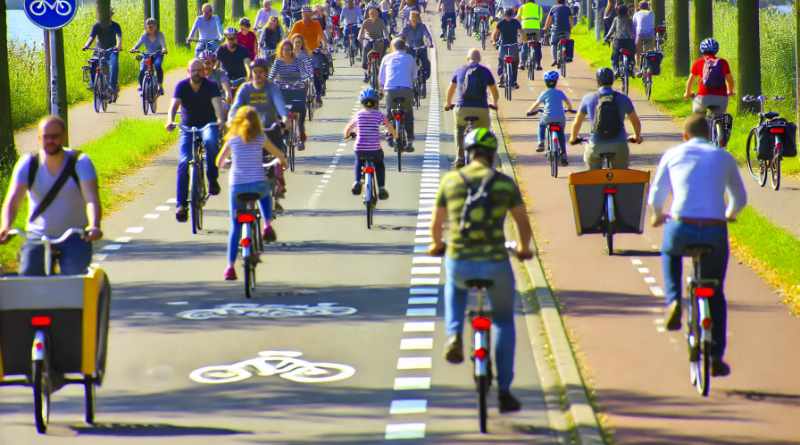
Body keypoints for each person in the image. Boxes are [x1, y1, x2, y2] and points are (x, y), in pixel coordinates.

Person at [428, 127, 533, 414]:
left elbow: (436, 225)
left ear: (467, 152)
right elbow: (523, 222)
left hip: (461, 260)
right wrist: (524, 249)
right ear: (492, 154)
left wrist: (437, 244)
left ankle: (453, 335)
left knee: (454, 284)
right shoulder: (504, 184)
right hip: (496, 262)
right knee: (503, 321)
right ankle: (505, 390)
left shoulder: (451, 181)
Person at [648, 113, 747, 377]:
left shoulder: (672, 154)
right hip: (714, 229)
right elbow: (739, 197)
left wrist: (657, 215)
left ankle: (673, 301)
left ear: (685, 136)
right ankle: (715, 356)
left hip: (682, 224)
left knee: (670, 251)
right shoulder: (723, 156)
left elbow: (657, 193)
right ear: (709, 134)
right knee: (716, 291)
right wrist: (730, 214)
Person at [0, 116, 103, 275]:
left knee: (73, 281)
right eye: (45, 137)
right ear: (39, 138)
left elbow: (91, 199)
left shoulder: (80, 162)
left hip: (74, 236)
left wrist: (94, 225)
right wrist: (6, 226)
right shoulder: (28, 164)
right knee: (28, 280)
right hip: (37, 236)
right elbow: (12, 201)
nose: (50, 141)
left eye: (55, 136)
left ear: (63, 137)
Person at [216, 106, 288, 281]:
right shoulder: (260, 138)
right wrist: (282, 163)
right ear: (257, 122)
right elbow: (279, 155)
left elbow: (219, 161)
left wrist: (227, 165)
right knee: (265, 194)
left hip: (237, 187)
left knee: (235, 227)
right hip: (257, 184)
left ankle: (230, 267)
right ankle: (267, 224)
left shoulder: (232, 139)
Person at [166, 59, 226, 222]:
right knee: (184, 162)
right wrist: (169, 120)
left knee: (211, 143)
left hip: (208, 125)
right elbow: (174, 106)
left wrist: (220, 119)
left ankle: (212, 179)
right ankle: (181, 205)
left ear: (204, 71)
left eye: (199, 70)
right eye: (193, 70)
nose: (196, 73)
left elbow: (217, 105)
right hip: (187, 128)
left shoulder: (211, 86)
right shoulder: (182, 86)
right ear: (188, 72)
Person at [569, 67, 642, 169]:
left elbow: (577, 122)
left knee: (593, 175)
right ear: (612, 80)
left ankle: (595, 181)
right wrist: (637, 137)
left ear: (597, 81)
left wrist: (573, 138)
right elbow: (636, 122)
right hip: (619, 144)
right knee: (621, 175)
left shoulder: (588, 98)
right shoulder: (623, 98)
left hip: (596, 144)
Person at [444, 49, 500, 167]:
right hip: (481, 109)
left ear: (467, 59)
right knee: (485, 131)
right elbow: (494, 91)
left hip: (462, 109)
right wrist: (495, 103)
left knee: (459, 129)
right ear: (479, 60)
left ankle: (460, 157)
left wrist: (448, 103)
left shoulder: (460, 70)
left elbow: (451, 89)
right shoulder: (486, 71)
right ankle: (484, 157)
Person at [343, 88, 397, 199]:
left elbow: (348, 128)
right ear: (376, 102)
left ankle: (357, 181)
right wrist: (395, 135)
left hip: (360, 149)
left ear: (362, 102)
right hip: (374, 149)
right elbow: (388, 126)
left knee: (358, 161)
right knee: (379, 164)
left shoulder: (358, 115)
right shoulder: (378, 115)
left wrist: (347, 135)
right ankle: (381, 188)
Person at [684, 38, 735, 128]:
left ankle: (701, 135)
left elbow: (690, 80)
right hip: (721, 98)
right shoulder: (723, 62)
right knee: (719, 118)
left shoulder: (698, 62)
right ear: (716, 50)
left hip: (703, 97)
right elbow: (729, 79)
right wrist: (730, 91)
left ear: (702, 50)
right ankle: (721, 135)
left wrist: (687, 93)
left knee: (698, 118)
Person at [526, 70, 574, 164]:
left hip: (547, 117)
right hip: (560, 117)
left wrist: (529, 111)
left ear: (545, 82)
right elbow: (567, 102)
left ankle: (541, 142)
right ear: (556, 82)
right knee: (561, 133)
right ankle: (563, 154)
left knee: (541, 124)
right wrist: (570, 109)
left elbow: (536, 104)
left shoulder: (545, 93)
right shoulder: (560, 92)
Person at [271, 39, 312, 150]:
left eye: (289, 49)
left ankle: (300, 133)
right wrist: (269, 82)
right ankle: (284, 134)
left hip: (297, 89)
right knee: (278, 111)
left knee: (301, 109)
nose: (287, 52)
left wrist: (304, 80)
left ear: (292, 50)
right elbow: (271, 76)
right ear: (281, 50)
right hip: (282, 91)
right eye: (284, 50)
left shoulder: (297, 61)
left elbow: (304, 74)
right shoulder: (278, 62)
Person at [379, 38, 417, 152]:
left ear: (393, 47)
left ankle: (389, 134)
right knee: (408, 113)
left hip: (391, 90)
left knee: (390, 113)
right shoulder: (410, 58)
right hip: (406, 90)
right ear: (404, 47)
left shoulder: (386, 58)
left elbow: (381, 78)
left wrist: (381, 90)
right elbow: (415, 76)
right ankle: (410, 140)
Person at [82, 8, 122, 95]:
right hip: (99, 50)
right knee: (93, 64)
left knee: (114, 65)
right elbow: (91, 37)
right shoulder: (96, 26)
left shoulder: (116, 25)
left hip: (112, 50)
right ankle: (93, 84)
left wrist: (118, 46)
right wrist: (87, 45)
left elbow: (119, 37)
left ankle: (112, 86)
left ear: (111, 15)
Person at [130, 17, 167, 95]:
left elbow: (163, 44)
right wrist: (134, 48)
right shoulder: (144, 35)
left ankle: (160, 86)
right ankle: (141, 86)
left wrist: (163, 49)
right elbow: (138, 44)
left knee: (157, 65)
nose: (150, 27)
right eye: (148, 26)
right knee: (142, 69)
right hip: (147, 55)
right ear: (146, 27)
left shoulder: (160, 35)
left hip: (157, 54)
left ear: (156, 27)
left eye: (152, 26)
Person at [492, 8, 522, 89]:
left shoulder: (500, 23)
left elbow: (494, 34)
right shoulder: (516, 22)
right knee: (515, 63)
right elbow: (521, 33)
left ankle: (501, 80)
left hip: (503, 46)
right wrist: (522, 42)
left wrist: (494, 42)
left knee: (501, 61)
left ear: (504, 15)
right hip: (513, 46)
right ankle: (514, 82)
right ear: (512, 15)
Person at [400, 11, 433, 82]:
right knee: (407, 63)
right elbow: (401, 37)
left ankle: (425, 77)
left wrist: (430, 43)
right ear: (409, 19)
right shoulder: (406, 27)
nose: (414, 20)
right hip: (410, 48)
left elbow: (427, 35)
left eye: (415, 18)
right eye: (412, 18)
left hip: (421, 47)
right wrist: (401, 44)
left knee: (425, 63)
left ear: (418, 19)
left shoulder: (422, 26)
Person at [359, 6, 390, 80]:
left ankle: (380, 64)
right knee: (366, 47)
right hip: (368, 39)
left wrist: (386, 37)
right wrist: (360, 37)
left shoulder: (381, 21)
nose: (373, 15)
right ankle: (366, 69)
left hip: (378, 39)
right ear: (369, 14)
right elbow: (361, 32)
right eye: (371, 13)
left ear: (378, 14)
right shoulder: (366, 22)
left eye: (375, 13)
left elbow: (385, 31)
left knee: (383, 47)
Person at [604, 4, 634, 76]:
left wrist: (606, 37)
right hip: (628, 41)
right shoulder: (630, 20)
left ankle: (615, 69)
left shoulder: (616, 19)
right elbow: (632, 30)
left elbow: (611, 30)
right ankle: (631, 66)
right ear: (627, 11)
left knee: (615, 55)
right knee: (631, 53)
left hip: (618, 41)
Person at [543, 0, 572, 66]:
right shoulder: (568, 8)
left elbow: (548, 20)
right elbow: (571, 20)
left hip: (556, 30)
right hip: (566, 30)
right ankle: (568, 57)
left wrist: (545, 28)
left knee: (553, 43)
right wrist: (571, 28)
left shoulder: (553, 8)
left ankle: (555, 60)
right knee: (567, 42)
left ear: (557, 1)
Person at [517, 0, 543, 71]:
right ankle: (538, 64)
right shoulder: (538, 7)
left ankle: (522, 63)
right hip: (535, 27)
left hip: (525, 27)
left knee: (525, 44)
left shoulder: (522, 7)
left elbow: (518, 18)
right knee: (537, 45)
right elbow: (540, 19)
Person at [632, 1, 655, 70]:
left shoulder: (636, 14)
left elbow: (634, 27)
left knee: (638, 52)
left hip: (640, 34)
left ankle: (638, 67)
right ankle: (650, 67)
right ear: (648, 7)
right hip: (650, 34)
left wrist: (633, 37)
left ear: (639, 7)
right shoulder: (652, 13)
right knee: (650, 51)